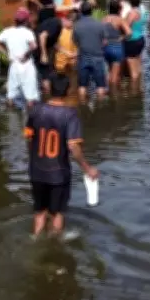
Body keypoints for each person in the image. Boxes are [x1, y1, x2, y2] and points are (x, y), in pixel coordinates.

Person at [23, 73, 98, 239]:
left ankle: (35, 240)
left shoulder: (35, 110)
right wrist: (87, 168)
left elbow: (28, 137)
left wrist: (34, 158)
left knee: (39, 212)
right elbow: (73, 146)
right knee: (57, 214)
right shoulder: (70, 115)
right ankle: (55, 246)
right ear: (68, 90)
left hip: (36, 171)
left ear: (49, 88)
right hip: (58, 174)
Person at [0, 7, 39, 109]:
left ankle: (10, 116)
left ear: (16, 20)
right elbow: (34, 46)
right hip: (26, 65)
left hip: (14, 65)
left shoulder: (7, 31)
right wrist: (26, 54)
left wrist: (6, 53)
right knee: (30, 97)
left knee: (11, 95)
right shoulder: (28, 32)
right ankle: (30, 116)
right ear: (26, 21)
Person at [73, 1, 107, 103]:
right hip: (97, 57)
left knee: (82, 86)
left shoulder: (77, 25)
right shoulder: (99, 24)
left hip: (83, 57)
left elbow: (75, 41)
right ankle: (101, 106)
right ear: (91, 11)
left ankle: (82, 104)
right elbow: (105, 42)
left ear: (81, 11)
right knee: (100, 86)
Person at [101, 0, 131, 88]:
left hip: (105, 48)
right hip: (116, 48)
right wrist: (122, 38)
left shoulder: (103, 19)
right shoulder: (120, 20)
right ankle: (113, 94)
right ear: (118, 9)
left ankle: (106, 91)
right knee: (115, 78)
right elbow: (129, 33)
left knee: (108, 73)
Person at [36, 4, 62, 94]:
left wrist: (67, 53)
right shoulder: (55, 22)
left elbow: (53, 44)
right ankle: (47, 95)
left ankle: (46, 94)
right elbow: (42, 36)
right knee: (46, 75)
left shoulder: (45, 24)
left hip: (39, 51)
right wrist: (44, 54)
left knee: (47, 73)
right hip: (40, 52)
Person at [123, 0, 147, 87]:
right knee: (138, 67)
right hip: (141, 39)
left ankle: (134, 90)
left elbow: (125, 26)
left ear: (130, 3)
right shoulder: (143, 12)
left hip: (132, 41)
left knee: (133, 72)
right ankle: (140, 86)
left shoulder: (132, 13)